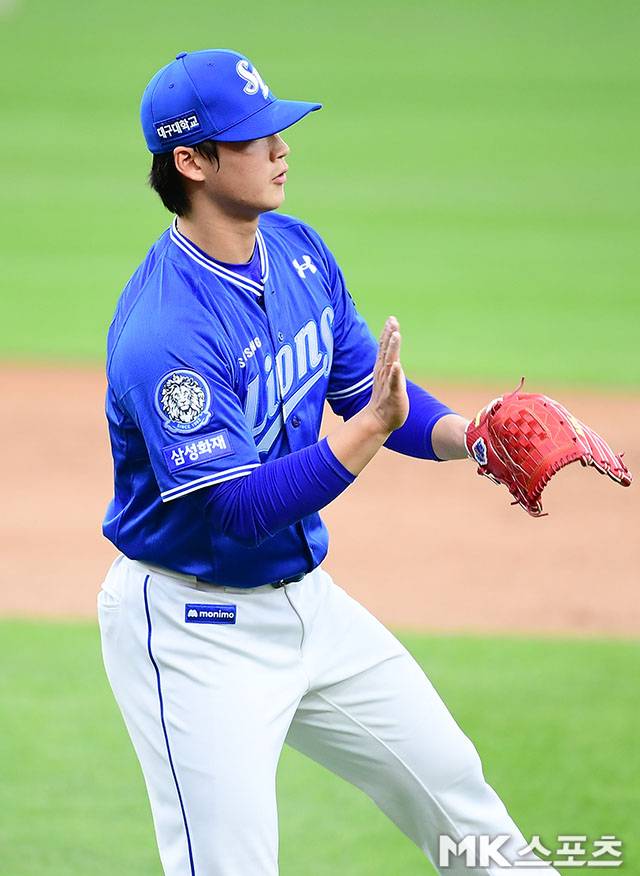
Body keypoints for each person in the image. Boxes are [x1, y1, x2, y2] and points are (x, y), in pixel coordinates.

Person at [99, 48, 559, 875]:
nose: (281, 147)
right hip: (194, 632)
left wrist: (473, 436)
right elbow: (236, 509)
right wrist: (371, 429)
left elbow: (367, 388)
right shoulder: (165, 333)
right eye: (254, 137)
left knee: (454, 789)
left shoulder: (298, 249)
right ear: (191, 161)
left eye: (279, 128)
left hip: (311, 605)